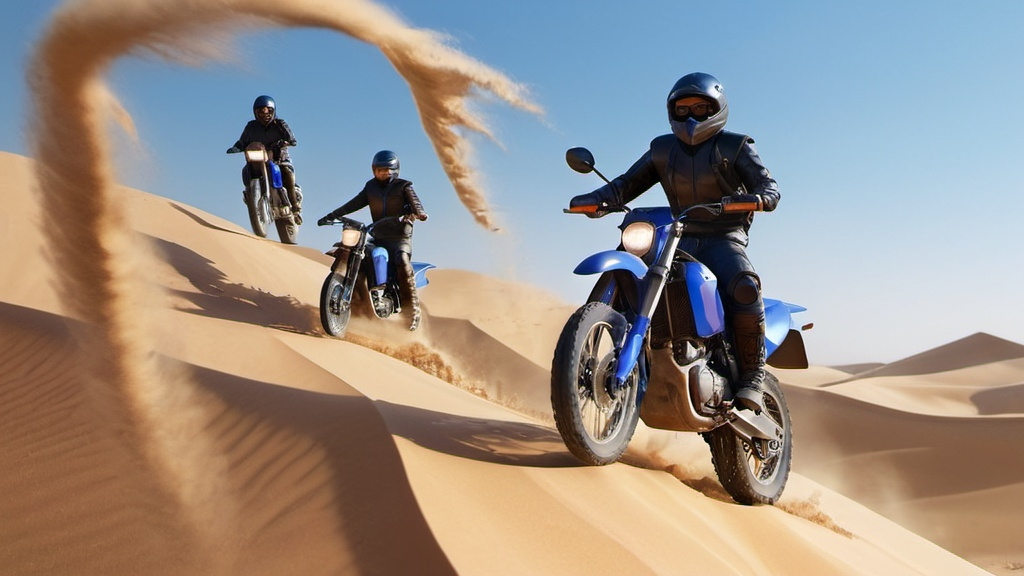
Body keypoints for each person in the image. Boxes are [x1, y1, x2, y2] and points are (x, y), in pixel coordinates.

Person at [569, 72, 780, 413]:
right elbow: (626, 184)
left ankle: (753, 375)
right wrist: (596, 198)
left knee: (744, 286)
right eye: (683, 110)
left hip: (722, 237)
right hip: (675, 235)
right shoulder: (662, 149)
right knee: (632, 266)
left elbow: (768, 186)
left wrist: (759, 198)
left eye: (700, 108)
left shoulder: (736, 146)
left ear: (717, 109)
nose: (692, 116)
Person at [317, 150, 429, 330]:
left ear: (395, 171)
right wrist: (331, 215)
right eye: (379, 170)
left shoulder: (403, 186)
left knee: (401, 259)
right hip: (378, 236)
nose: (383, 174)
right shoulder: (371, 188)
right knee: (358, 256)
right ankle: (357, 303)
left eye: (387, 170)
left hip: (400, 238)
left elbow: (415, 202)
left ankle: (413, 310)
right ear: (373, 170)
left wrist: (418, 213)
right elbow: (353, 204)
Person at [226, 95, 303, 223]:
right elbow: (242, 141)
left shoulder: (280, 124)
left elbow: (291, 139)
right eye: (261, 111)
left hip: (279, 157)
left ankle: (294, 206)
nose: (264, 114)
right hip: (260, 157)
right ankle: (250, 194)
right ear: (255, 112)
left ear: (273, 111)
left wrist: (286, 142)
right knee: (247, 169)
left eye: (268, 110)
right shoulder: (251, 126)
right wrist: (236, 148)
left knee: (286, 172)